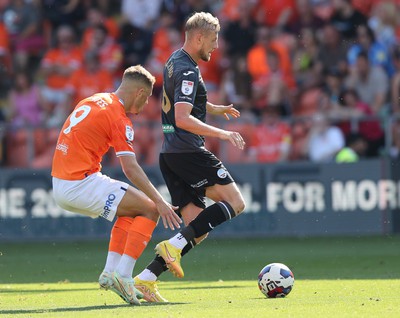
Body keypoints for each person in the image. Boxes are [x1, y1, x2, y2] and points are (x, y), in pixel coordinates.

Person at [134, 11, 246, 303]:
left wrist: (213, 108)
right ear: (199, 37)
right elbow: (182, 117)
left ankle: (146, 279)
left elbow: (183, 102)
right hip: (188, 151)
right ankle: (172, 248)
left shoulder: (174, 60)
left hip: (170, 154)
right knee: (236, 202)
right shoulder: (188, 70)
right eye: (213, 39)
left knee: (198, 228)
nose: (216, 45)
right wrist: (223, 133)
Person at [51, 65, 182, 305]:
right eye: (147, 99)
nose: (145, 107)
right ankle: (123, 276)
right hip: (80, 183)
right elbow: (130, 168)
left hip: (61, 181)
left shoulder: (95, 99)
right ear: (140, 93)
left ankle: (110, 273)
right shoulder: (118, 118)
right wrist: (161, 202)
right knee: (150, 209)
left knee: (130, 209)